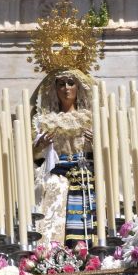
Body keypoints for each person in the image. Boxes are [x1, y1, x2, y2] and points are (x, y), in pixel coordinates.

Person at [32, 68, 96, 247]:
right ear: (54, 89)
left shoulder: (91, 118)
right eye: (61, 84)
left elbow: (110, 150)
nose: (66, 88)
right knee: (54, 195)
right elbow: (33, 156)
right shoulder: (44, 121)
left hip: (86, 174)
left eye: (71, 83)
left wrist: (97, 143)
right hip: (58, 175)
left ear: (79, 87)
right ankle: (53, 251)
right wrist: (40, 146)